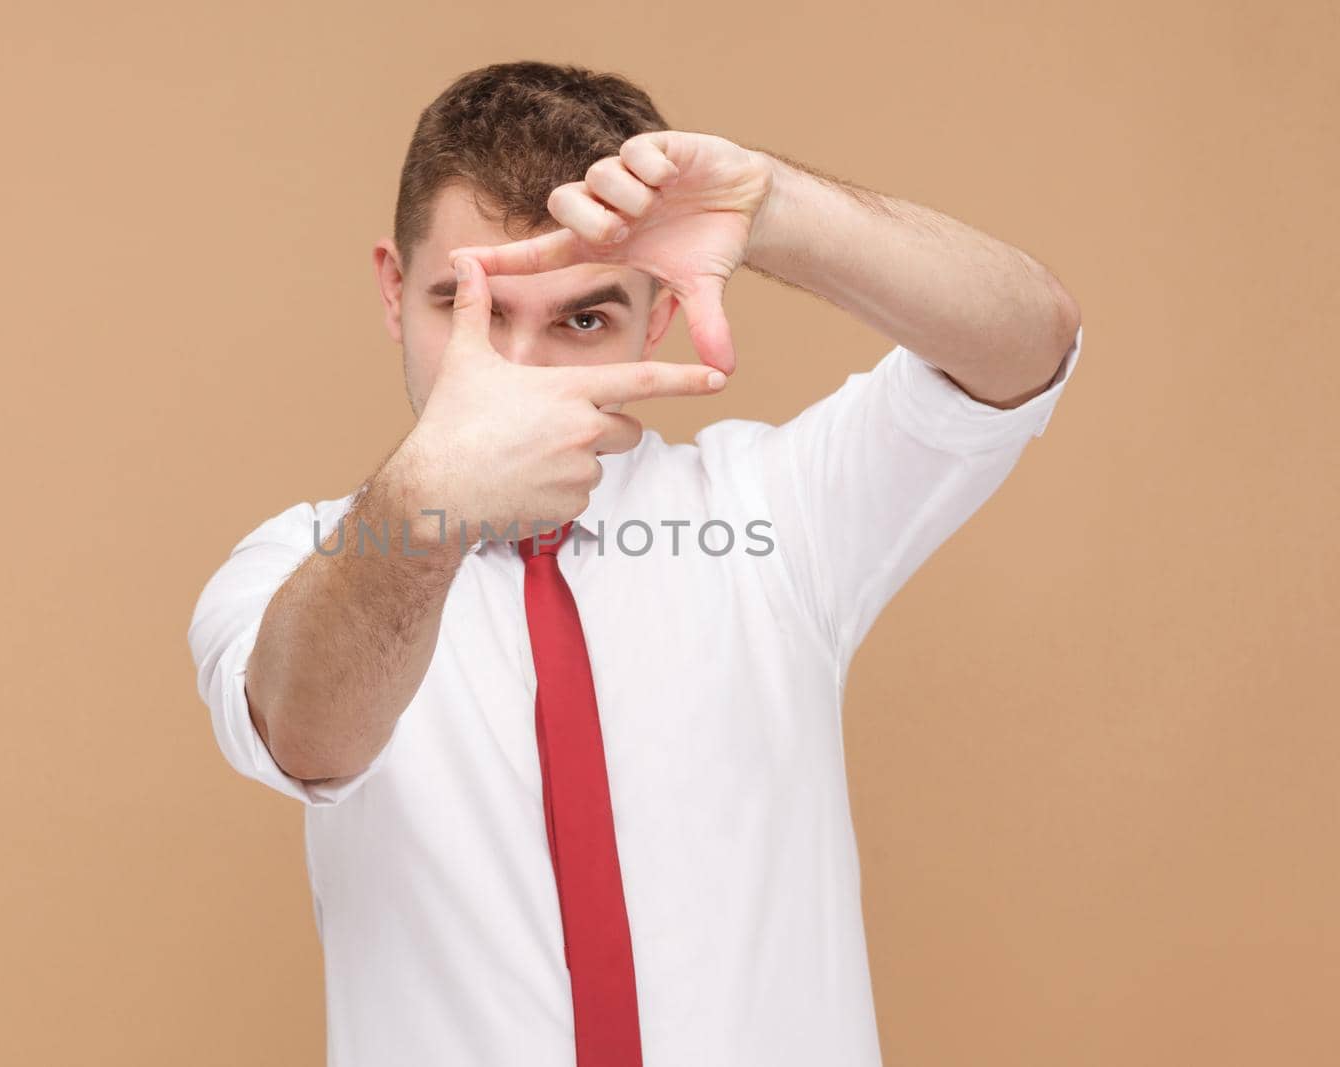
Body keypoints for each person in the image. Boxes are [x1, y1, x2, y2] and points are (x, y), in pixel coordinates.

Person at [187, 60, 1082, 1067]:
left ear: (657, 314)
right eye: (468, 307)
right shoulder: (305, 566)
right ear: (396, 294)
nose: (517, 377)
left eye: (582, 319)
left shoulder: (772, 515)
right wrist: (429, 504)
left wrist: (773, 207)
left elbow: (1026, 345)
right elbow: (310, 732)